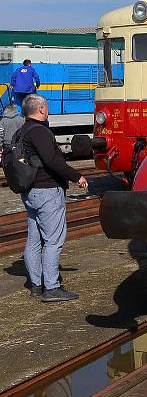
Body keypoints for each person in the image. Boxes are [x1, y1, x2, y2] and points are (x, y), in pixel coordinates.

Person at [17, 94, 87, 302]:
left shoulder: (23, 131)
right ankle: (52, 287)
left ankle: (36, 285)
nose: (47, 111)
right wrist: (77, 176)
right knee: (53, 241)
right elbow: (53, 160)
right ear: (40, 109)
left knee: (34, 239)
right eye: (46, 107)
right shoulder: (40, 131)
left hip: (30, 191)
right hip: (47, 190)